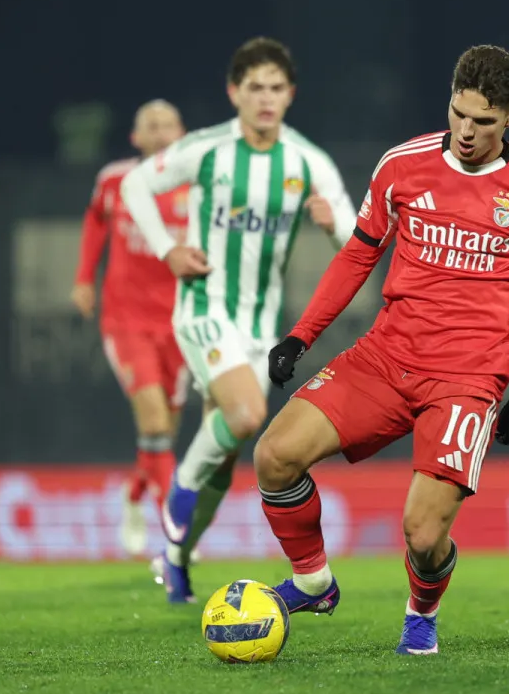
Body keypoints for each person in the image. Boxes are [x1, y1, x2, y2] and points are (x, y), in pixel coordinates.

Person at [254, 44, 509, 656]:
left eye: (483, 121)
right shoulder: (402, 165)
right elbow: (358, 255)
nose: (466, 131)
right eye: (458, 113)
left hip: (467, 379)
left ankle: (421, 614)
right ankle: (313, 582)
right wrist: (301, 335)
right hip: (385, 358)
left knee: (422, 534)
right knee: (274, 456)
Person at [118, 37, 353, 603]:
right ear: (234, 92)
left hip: (258, 327)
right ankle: (177, 492)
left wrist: (332, 226)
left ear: (290, 94)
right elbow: (134, 184)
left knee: (222, 462)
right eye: (255, 88)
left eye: (276, 88)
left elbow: (358, 242)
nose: (265, 98)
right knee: (246, 415)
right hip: (203, 309)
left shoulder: (308, 162)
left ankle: (175, 559)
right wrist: (168, 250)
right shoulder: (208, 149)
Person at [70, 99, 191, 557]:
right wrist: (84, 278)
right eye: (150, 126)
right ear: (135, 137)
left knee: (162, 436)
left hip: (180, 324)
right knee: (155, 422)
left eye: (167, 125)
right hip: (126, 322)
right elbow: (94, 220)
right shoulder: (115, 180)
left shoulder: (200, 184)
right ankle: (176, 531)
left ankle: (134, 493)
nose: (160, 133)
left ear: (182, 134)